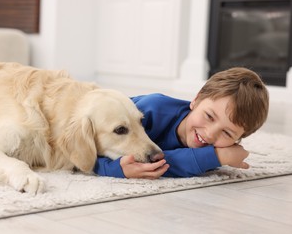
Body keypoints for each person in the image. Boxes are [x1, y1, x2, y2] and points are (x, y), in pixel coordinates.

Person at [94, 67, 269, 179]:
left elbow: (170, 166)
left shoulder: (219, 149)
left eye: (227, 133)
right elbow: (88, 152)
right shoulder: (150, 110)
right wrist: (115, 169)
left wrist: (218, 156)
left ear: (237, 141)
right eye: (209, 116)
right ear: (196, 100)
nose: (209, 134)